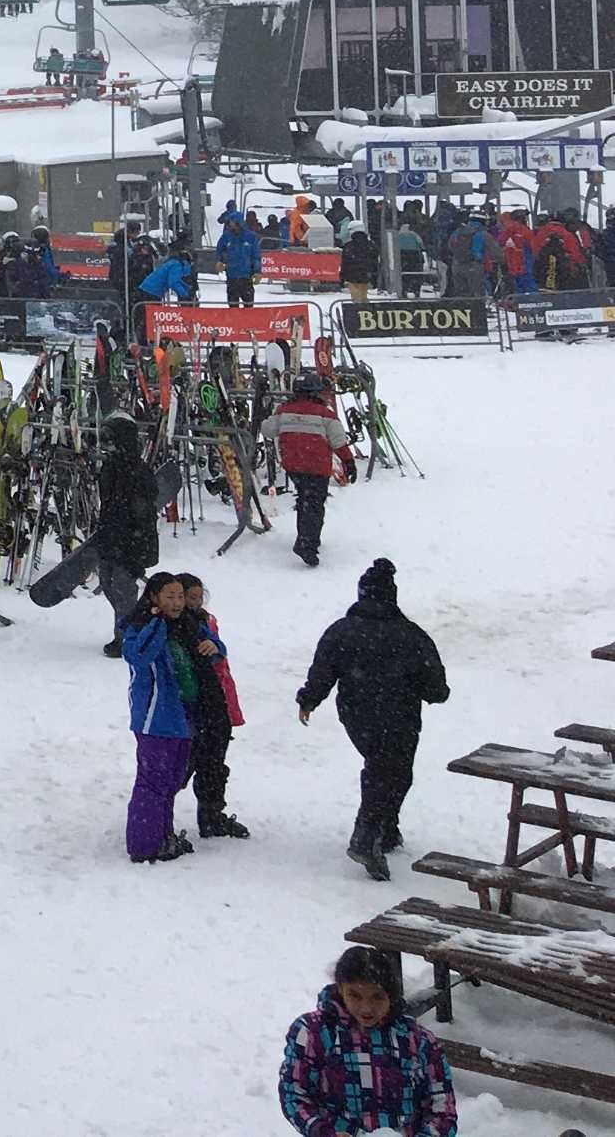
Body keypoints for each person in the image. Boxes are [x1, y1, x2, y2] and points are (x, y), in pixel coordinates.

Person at [298, 558, 451, 882]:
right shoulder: (410, 635)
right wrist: (430, 689)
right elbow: (436, 688)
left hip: (356, 714)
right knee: (393, 773)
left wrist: (309, 699)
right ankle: (368, 834)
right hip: (399, 716)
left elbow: (323, 670)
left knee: (381, 767)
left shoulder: (341, 630)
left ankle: (384, 830)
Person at [276, 944, 457, 1136]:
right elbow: (294, 1093)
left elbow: (442, 1107)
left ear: (391, 995)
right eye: (355, 995)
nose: (366, 1009)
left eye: (377, 997)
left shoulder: (418, 1041)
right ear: (340, 989)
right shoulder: (314, 1033)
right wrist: (323, 1132)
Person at [119, 572, 197, 864]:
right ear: (154, 598)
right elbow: (138, 655)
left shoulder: (185, 625)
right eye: (170, 596)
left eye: (180, 596)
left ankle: (163, 835)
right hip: (154, 717)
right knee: (152, 781)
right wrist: (157, 622)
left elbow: (212, 650)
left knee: (171, 780)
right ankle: (144, 844)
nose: (177, 603)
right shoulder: (139, 627)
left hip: (180, 716)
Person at [177, 575, 248, 839]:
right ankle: (159, 814)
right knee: (188, 762)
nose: (194, 603)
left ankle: (212, 815)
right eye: (189, 597)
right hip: (196, 704)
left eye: (198, 597)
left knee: (214, 764)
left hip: (217, 701)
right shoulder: (174, 625)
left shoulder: (204, 621)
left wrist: (215, 646)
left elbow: (220, 651)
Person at [265, 373, 353, 567]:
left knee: (305, 499)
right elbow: (338, 441)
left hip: (293, 466)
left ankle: (306, 537)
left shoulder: (283, 411)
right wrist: (348, 462)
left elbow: (267, 430)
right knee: (314, 503)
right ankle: (307, 543)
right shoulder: (325, 414)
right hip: (317, 466)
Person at [91, 412, 161, 654]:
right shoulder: (110, 468)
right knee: (107, 584)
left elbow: (144, 514)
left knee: (123, 588)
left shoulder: (138, 472)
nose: (106, 446)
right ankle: (138, 620)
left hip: (131, 540)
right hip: (110, 536)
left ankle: (126, 638)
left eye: (110, 440)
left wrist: (136, 547)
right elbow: (108, 503)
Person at [215, 205, 263, 307]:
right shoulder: (226, 236)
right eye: (229, 222)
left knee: (248, 307)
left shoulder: (250, 237)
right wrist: (220, 260)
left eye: (232, 222)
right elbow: (220, 250)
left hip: (246, 277)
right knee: (233, 307)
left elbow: (256, 256)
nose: (230, 224)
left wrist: (257, 271)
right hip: (232, 276)